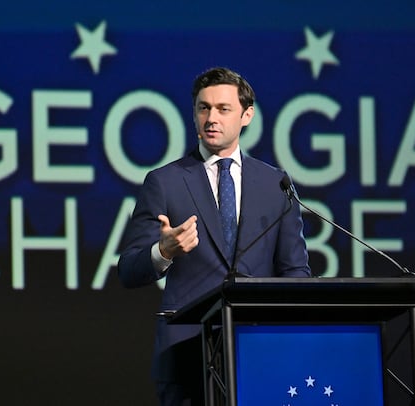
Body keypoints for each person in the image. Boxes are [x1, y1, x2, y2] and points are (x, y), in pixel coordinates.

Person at [118, 67, 311, 405]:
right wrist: (162, 252)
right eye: (203, 108)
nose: (211, 118)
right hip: (186, 354)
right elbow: (129, 270)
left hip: (258, 351)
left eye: (223, 109)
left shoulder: (275, 185)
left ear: (246, 115)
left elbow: (295, 271)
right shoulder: (165, 182)